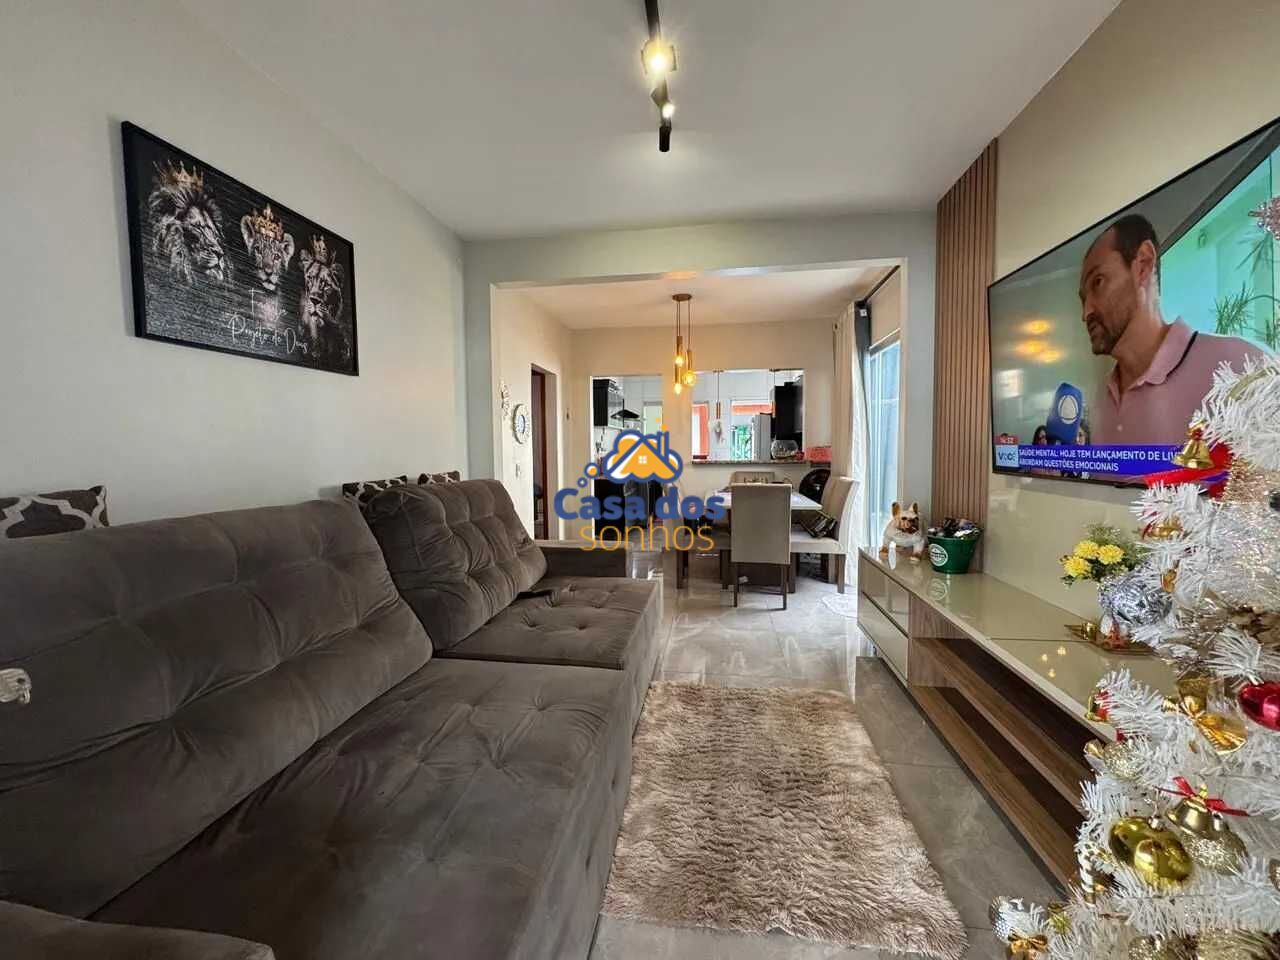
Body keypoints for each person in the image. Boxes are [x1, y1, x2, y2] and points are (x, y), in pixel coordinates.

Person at [1079, 214, 1266, 445]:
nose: (1086, 312)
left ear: (1143, 264)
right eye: (1082, 299)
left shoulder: (1243, 368)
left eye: (1098, 282)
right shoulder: (1100, 400)